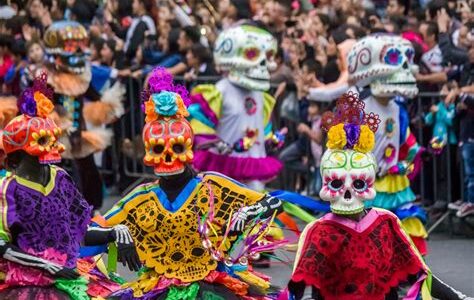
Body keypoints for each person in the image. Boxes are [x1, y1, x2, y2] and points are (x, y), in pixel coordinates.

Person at [100, 68, 284, 299]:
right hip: (159, 289)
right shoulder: (141, 198)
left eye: (176, 147)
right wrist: (116, 233)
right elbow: (92, 228)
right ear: (148, 154)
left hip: (211, 286)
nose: (168, 157)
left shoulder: (212, 186)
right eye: (158, 149)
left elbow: (273, 202)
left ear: (189, 149)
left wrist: (247, 213)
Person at [282, 93, 473, 300]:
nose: (347, 194)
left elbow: (419, 273)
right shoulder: (318, 232)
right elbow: (295, 289)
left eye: (358, 183)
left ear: (369, 184)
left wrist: (457, 297)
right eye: (337, 182)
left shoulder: (386, 222)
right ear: (326, 182)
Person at [0, 73, 140, 299]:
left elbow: (79, 230)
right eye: (42, 144)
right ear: (15, 160)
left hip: (70, 271)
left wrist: (113, 231)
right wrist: (46, 265)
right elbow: (2, 245)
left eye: (54, 141)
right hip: (30, 280)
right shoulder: (6, 189)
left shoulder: (61, 178)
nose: (56, 150)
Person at [347, 35, 427, 255]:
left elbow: (406, 141)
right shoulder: (360, 108)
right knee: (367, 227)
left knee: (401, 223)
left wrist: (418, 153)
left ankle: (403, 267)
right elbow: (348, 146)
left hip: (394, 181)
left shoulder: (398, 110)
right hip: (366, 180)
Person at [189, 23, 285, 191]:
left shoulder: (261, 96)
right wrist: (217, 144)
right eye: (251, 54)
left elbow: (263, 126)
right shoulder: (219, 92)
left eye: (268, 56)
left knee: (255, 209)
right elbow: (200, 127)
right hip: (224, 166)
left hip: (253, 163)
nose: (264, 65)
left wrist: (272, 140)